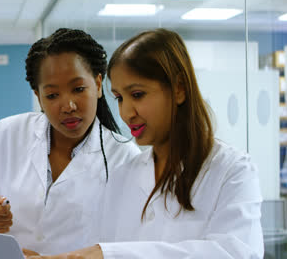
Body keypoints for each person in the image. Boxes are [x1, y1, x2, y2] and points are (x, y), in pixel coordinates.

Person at [26, 29, 264, 258]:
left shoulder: (232, 171)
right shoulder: (124, 175)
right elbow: (101, 249)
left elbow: (236, 253)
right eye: (119, 98)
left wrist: (110, 254)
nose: (127, 112)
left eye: (137, 95)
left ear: (179, 88)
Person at [0, 28, 141, 255]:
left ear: (98, 85)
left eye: (78, 89)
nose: (68, 106)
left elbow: (131, 247)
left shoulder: (125, 158)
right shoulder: (7, 135)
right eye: (52, 95)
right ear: (38, 96)